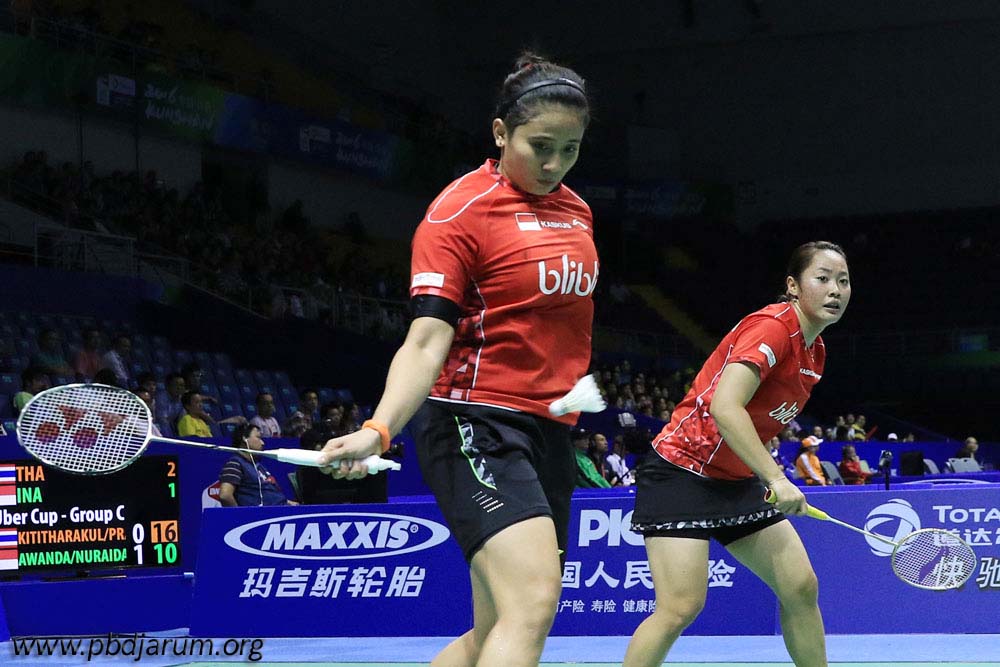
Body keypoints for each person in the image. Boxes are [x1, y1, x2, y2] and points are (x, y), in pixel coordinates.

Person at [318, 52, 596, 667]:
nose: (553, 165)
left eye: (570, 150)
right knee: (533, 604)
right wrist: (379, 429)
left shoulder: (576, 210)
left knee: (495, 628)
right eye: (540, 147)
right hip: (477, 422)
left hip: (550, 428)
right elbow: (425, 340)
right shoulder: (458, 213)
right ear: (500, 133)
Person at [624, 241, 852, 667]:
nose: (835, 290)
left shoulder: (815, 352)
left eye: (843, 281)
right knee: (680, 606)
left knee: (800, 586)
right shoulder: (773, 328)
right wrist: (776, 478)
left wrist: (764, 473)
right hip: (682, 470)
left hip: (734, 479)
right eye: (822, 279)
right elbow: (725, 407)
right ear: (793, 285)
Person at [218, 423, 298, 506]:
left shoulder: (258, 466)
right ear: (245, 438)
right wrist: (240, 513)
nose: (262, 443)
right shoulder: (235, 463)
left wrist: (288, 502)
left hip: (283, 508)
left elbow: (270, 494)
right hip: (266, 513)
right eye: (258, 437)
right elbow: (225, 495)